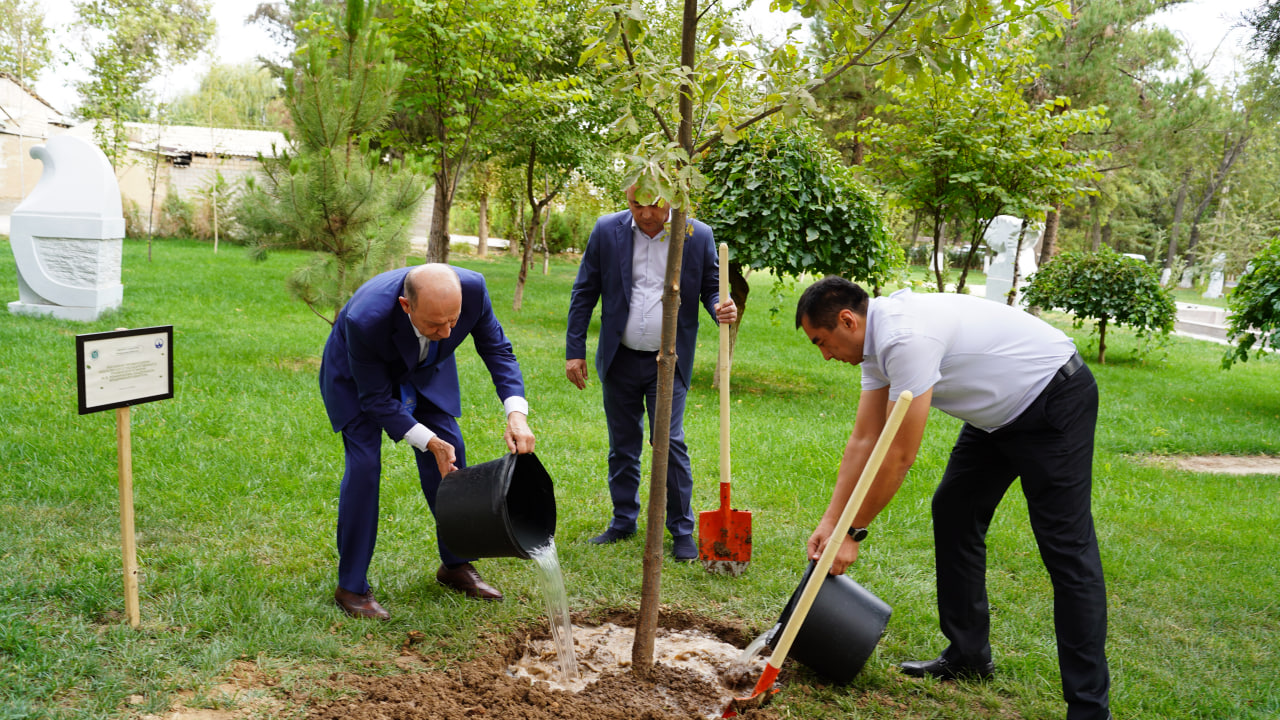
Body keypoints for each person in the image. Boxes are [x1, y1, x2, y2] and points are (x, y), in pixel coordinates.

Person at [795, 277, 1110, 720]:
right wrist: (831, 522)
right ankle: (969, 655)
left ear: (847, 320)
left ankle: (1089, 708)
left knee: (1067, 550)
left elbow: (899, 454)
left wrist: (853, 531)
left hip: (1052, 398)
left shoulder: (905, 338)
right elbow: (866, 440)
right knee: (955, 509)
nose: (826, 355)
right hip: (997, 417)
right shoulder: (874, 344)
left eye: (821, 342)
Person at [320, 264, 536, 620]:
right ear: (406, 306)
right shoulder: (365, 318)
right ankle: (351, 586)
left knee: (453, 458)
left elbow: (498, 351)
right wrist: (426, 439)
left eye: (453, 321)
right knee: (364, 469)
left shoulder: (473, 290)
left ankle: (455, 564)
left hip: (425, 372)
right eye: (436, 324)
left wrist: (516, 413)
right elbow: (375, 399)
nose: (448, 331)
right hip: (359, 381)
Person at [565, 184, 737, 561]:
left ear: (672, 200)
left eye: (654, 205)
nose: (645, 214)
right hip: (620, 357)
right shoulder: (606, 230)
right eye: (635, 204)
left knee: (669, 442)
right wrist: (574, 350)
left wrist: (720, 306)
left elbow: (711, 286)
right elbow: (584, 291)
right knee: (622, 444)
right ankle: (623, 521)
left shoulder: (695, 234)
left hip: (669, 359)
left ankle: (682, 530)